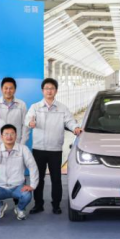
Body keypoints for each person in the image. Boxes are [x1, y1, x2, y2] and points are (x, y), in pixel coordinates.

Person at [25, 78, 82, 215]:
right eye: (46, 88)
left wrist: (75, 128)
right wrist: (30, 123)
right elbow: (27, 120)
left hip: (55, 149)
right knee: (38, 178)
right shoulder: (35, 107)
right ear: (42, 91)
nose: (49, 91)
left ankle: (56, 205)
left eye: (52, 88)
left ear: (56, 91)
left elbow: (70, 121)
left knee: (56, 179)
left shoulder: (62, 108)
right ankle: (38, 204)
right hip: (39, 149)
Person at [0, 124, 40, 221]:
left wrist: (33, 185)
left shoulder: (23, 149)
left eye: (12, 134)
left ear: (16, 135)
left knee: (27, 196)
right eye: (6, 134)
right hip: (0, 187)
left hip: (17, 186)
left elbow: (32, 166)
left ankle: (20, 208)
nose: (9, 136)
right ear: (1, 136)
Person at [0, 77, 28, 188]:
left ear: (15, 89)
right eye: (6, 88)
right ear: (2, 89)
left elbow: (25, 125)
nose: (8, 90)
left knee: (17, 171)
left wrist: (22, 143)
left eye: (11, 88)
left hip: (16, 143)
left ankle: (18, 197)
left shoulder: (21, 104)